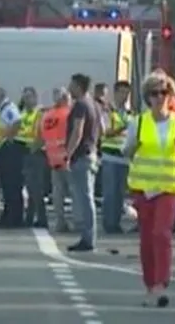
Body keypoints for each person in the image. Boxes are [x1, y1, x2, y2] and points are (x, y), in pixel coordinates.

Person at [125, 71, 175, 307]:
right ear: (147, 97)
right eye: (155, 93)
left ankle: (161, 283)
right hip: (144, 187)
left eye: (164, 92)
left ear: (171, 95)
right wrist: (135, 149)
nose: (160, 97)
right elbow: (128, 150)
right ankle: (150, 284)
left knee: (161, 234)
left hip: (170, 186)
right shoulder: (139, 122)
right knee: (146, 238)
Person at [63, 73, 100, 252]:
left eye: (71, 85)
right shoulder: (93, 104)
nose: (69, 88)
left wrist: (67, 154)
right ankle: (88, 235)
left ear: (78, 86)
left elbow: (77, 131)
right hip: (91, 153)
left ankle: (88, 238)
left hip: (82, 156)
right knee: (86, 197)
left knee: (84, 198)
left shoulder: (80, 105)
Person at [0, 86, 25, 229]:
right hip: (4, 153)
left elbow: (17, 122)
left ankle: (13, 218)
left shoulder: (8, 108)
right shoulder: (2, 109)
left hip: (9, 153)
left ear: (1, 96)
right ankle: (10, 217)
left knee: (11, 186)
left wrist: (7, 139)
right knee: (9, 187)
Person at [99, 80, 133, 234]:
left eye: (127, 93)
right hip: (110, 157)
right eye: (121, 93)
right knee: (110, 193)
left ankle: (116, 223)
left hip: (124, 157)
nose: (124, 96)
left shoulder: (129, 113)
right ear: (115, 93)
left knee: (120, 194)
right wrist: (123, 127)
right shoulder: (108, 111)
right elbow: (106, 132)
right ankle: (108, 223)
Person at [41, 89, 73, 232]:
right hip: (68, 157)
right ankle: (79, 223)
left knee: (58, 193)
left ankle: (60, 222)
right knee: (76, 193)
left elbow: (42, 136)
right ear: (66, 99)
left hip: (53, 158)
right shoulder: (68, 114)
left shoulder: (47, 116)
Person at [17, 87, 48, 228]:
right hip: (25, 152)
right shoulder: (23, 114)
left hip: (36, 153)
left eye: (29, 97)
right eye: (25, 97)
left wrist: (34, 147)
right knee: (30, 188)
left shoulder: (40, 113)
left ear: (35, 98)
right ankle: (29, 218)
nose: (27, 100)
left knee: (36, 188)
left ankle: (41, 218)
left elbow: (42, 134)